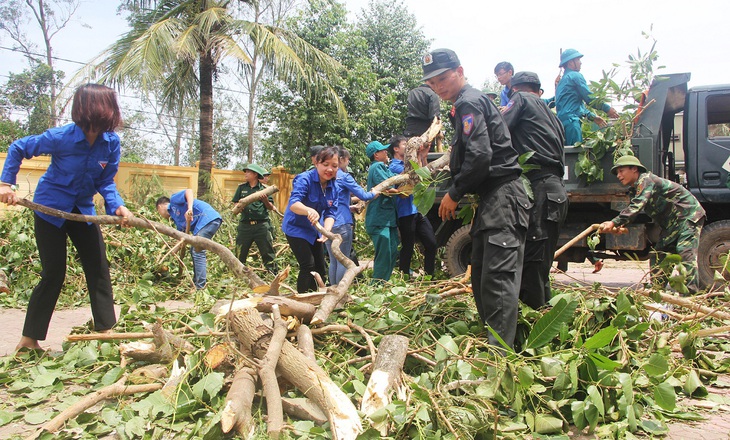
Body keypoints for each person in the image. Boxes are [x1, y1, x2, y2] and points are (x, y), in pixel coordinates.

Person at [0, 83, 133, 351]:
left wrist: (117, 206)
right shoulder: (60, 137)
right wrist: (5, 184)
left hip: (83, 212)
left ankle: (106, 332)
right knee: (53, 274)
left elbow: (106, 181)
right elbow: (18, 147)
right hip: (50, 209)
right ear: (94, 107)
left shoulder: (111, 143)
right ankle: (29, 340)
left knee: (98, 270)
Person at [423, 48, 530, 349]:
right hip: (491, 199)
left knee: (496, 282)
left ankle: (499, 359)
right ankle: (496, 346)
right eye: (432, 84)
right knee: (482, 276)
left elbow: (480, 156)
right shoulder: (464, 104)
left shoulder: (469, 101)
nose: (439, 86)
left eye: (443, 78)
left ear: (459, 71)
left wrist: (453, 194)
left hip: (503, 197)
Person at [501, 71, 569, 309]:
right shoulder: (554, 118)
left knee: (531, 262)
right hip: (556, 191)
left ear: (515, 89)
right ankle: (545, 313)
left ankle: (534, 323)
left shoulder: (520, 100)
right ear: (538, 90)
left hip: (540, 188)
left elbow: (499, 130)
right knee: (540, 264)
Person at [598, 156, 706, 293]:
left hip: (688, 216)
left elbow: (636, 206)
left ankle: (690, 298)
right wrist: (619, 227)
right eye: (617, 173)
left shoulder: (646, 179)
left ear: (634, 169)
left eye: (621, 171)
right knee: (659, 255)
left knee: (685, 253)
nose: (618, 176)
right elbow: (635, 213)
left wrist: (614, 222)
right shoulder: (635, 190)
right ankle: (656, 292)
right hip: (671, 225)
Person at [282, 145, 339, 292]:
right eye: (325, 165)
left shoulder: (334, 186)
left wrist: (327, 231)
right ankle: (301, 300)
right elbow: (294, 204)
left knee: (320, 267)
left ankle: (316, 298)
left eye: (334, 166)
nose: (330, 169)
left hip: (314, 230)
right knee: (308, 265)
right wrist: (308, 210)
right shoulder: (304, 179)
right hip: (296, 228)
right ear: (316, 163)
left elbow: (331, 213)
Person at [326, 146, 379, 285]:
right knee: (343, 260)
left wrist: (349, 207)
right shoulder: (343, 177)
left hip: (327, 224)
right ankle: (340, 293)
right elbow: (363, 195)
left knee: (333, 260)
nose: (348, 163)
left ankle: (333, 290)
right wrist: (374, 192)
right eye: (347, 160)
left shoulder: (325, 176)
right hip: (342, 224)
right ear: (341, 159)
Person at [388, 135, 438, 277]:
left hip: (418, 210)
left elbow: (424, 176)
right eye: (405, 144)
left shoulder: (410, 162)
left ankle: (429, 276)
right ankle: (404, 275)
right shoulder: (395, 166)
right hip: (405, 212)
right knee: (408, 247)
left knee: (431, 243)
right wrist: (418, 157)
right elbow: (415, 175)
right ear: (396, 149)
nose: (409, 146)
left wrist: (423, 155)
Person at [156, 189, 222, 289]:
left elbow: (188, 191)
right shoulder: (176, 220)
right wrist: (171, 254)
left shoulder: (174, 201)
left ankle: (200, 287)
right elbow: (183, 238)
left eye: (158, 212)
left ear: (160, 207)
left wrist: (189, 209)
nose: (160, 214)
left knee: (198, 251)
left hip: (207, 218)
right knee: (194, 250)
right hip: (205, 224)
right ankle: (196, 283)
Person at [555, 48, 620, 145]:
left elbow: (574, 107)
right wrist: (607, 109)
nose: (580, 63)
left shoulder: (563, 81)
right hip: (572, 124)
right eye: (578, 60)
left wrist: (592, 117)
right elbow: (589, 98)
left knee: (567, 155)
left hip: (562, 125)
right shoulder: (575, 76)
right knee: (574, 156)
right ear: (570, 63)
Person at [232, 163, 278, 274]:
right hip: (245, 226)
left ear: (255, 174)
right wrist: (238, 207)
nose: (246, 174)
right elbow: (235, 203)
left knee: (268, 253)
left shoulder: (264, 189)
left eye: (248, 172)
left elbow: (270, 207)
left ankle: (272, 275)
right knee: (239, 252)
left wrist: (265, 200)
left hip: (261, 226)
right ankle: (237, 276)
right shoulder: (241, 188)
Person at [365, 140, 399, 282]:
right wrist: (400, 191)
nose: (386, 152)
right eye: (383, 150)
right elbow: (390, 185)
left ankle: (384, 282)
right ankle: (376, 285)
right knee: (384, 254)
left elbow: (396, 178)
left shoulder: (384, 167)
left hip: (387, 219)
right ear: (376, 154)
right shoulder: (377, 167)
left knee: (392, 251)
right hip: (379, 219)